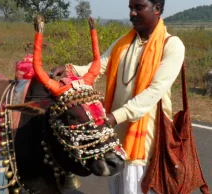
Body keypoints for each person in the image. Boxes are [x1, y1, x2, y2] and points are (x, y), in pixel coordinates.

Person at [51, 0, 185, 193]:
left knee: (135, 187)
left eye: (139, 7)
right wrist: (69, 69)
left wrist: (115, 117)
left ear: (157, 9)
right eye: (130, 8)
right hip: (114, 131)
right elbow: (97, 68)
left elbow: (155, 91)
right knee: (116, 186)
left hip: (145, 135)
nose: (132, 13)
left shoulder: (172, 45)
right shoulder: (123, 43)